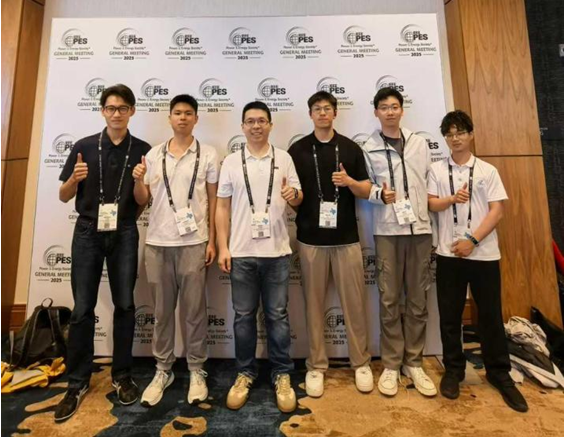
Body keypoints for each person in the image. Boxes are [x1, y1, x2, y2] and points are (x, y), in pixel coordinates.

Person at [55, 84, 151, 422]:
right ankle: (77, 382)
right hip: (87, 232)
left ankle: (122, 375)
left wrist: (139, 181)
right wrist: (74, 179)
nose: (116, 114)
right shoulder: (84, 147)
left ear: (132, 111)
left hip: (124, 231)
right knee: (83, 308)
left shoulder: (142, 150)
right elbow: (64, 195)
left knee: (125, 304)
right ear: (102, 111)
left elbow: (143, 201)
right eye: (110, 108)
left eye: (123, 108)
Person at [428, 110, 528, 412]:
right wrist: (451, 200)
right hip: (448, 253)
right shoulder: (437, 169)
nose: (455, 138)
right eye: (449, 134)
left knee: (489, 315)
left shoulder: (487, 170)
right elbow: (432, 203)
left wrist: (471, 241)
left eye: (460, 132)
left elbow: (497, 211)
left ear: (471, 134)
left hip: (483, 253)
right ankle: (454, 370)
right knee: (450, 316)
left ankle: (499, 373)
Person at [216, 101, 303, 413]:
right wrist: (223, 247)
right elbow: (221, 207)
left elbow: (298, 198)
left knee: (277, 316)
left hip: (276, 253)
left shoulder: (284, 158)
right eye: (250, 121)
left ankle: (282, 374)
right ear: (242, 126)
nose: (256, 126)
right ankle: (245, 373)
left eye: (262, 121)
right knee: (243, 317)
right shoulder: (231, 162)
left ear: (270, 125)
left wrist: (294, 196)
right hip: (241, 253)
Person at [132, 94, 219, 407]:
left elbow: (214, 201)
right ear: (169, 118)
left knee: (195, 312)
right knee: (161, 312)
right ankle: (163, 369)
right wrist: (137, 181)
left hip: (194, 243)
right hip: (158, 243)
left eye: (188, 113)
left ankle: (197, 369)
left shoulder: (208, 154)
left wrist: (212, 241)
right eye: (177, 113)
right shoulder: (153, 154)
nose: (182, 118)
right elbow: (142, 199)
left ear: (196, 119)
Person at [288, 91, 373, 397]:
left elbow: (366, 190)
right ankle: (316, 365)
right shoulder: (297, 150)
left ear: (335, 113)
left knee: (355, 305)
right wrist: (292, 198)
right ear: (310, 114)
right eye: (317, 109)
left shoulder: (350, 148)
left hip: (346, 238)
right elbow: (294, 198)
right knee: (313, 307)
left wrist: (350, 183)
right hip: (311, 239)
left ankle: (361, 362)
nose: (322, 113)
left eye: (327, 108)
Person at [361, 87, 436, 397]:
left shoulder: (419, 143)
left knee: (418, 299)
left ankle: (414, 362)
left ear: (402, 110)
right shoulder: (369, 147)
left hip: (420, 229)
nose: (390, 112)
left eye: (394, 106)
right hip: (387, 230)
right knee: (389, 299)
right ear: (376, 112)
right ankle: (392, 364)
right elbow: (364, 186)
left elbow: (430, 182)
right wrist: (379, 194)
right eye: (384, 107)